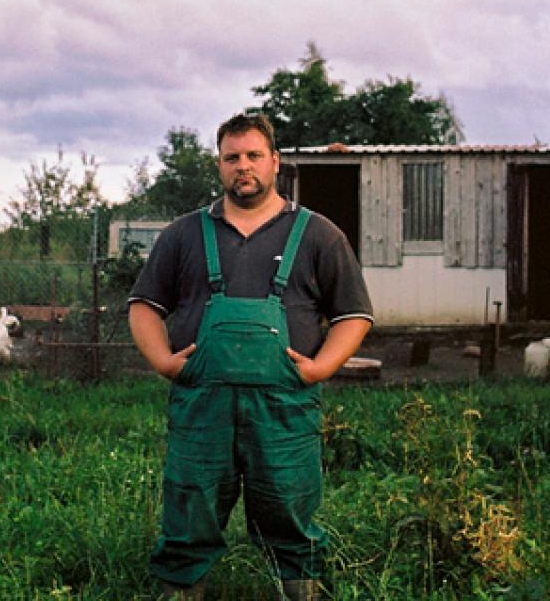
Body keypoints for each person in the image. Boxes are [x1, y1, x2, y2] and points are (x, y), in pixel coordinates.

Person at [128, 113, 373, 600]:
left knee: (289, 508)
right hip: (203, 407)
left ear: (275, 162)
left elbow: (354, 314)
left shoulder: (319, 235)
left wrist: (321, 367)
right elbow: (144, 306)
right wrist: (162, 360)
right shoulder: (184, 234)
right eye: (232, 157)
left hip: (283, 408)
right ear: (218, 166)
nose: (244, 166)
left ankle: (299, 592)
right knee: (189, 507)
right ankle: (180, 592)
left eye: (254, 156)